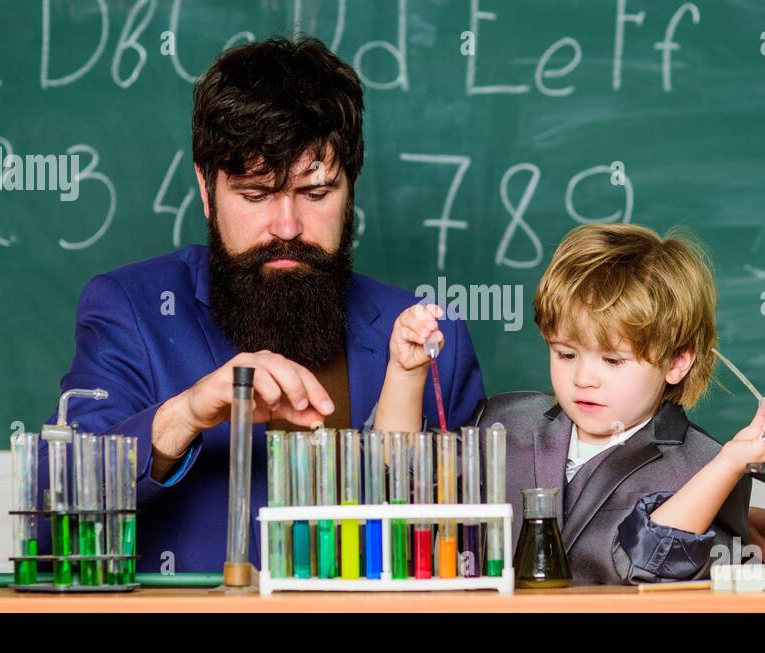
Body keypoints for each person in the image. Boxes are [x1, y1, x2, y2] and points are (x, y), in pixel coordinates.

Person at [37, 37, 485, 574]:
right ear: (206, 189)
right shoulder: (129, 311)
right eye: (254, 195)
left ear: (351, 187)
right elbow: (51, 524)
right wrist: (187, 413)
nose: (288, 227)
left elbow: (473, 555)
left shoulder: (434, 338)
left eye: (316, 194)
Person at [374, 224, 765, 584]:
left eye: (612, 360)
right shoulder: (504, 425)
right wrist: (406, 374)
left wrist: (728, 465)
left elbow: (651, 561)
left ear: (676, 362)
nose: (583, 378)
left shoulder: (706, 468)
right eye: (565, 353)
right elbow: (402, 483)